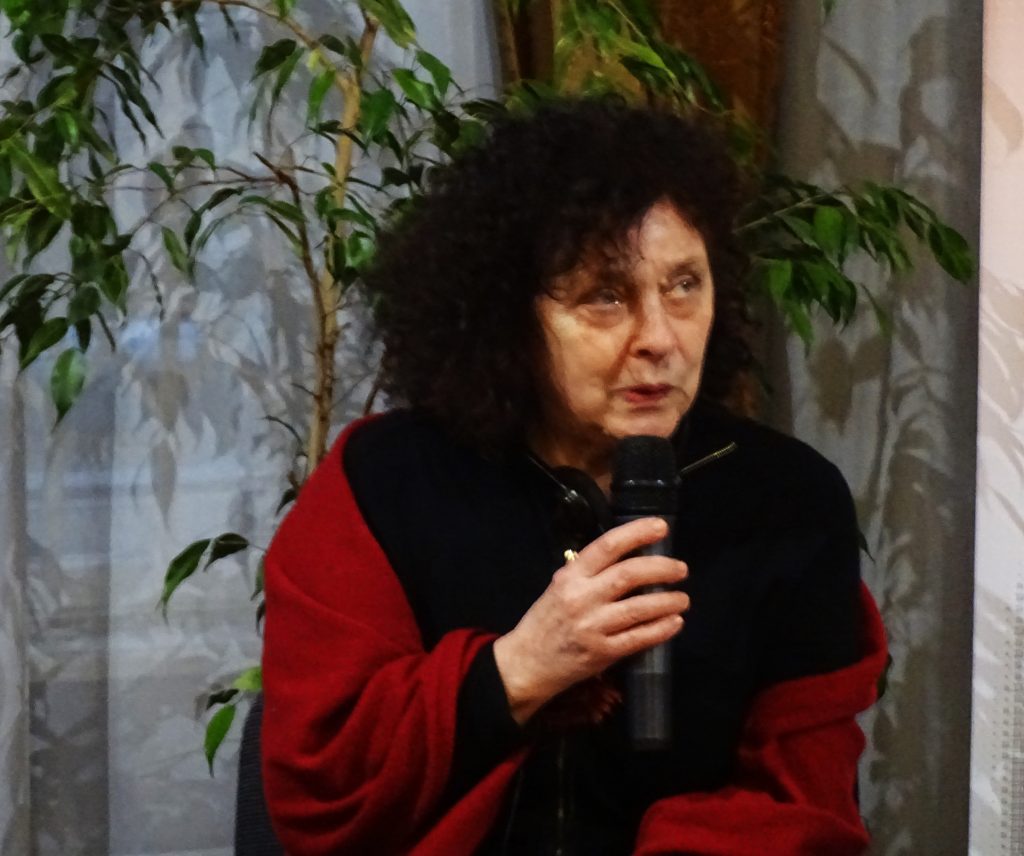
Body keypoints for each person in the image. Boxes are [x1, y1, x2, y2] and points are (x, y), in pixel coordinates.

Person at [260, 97, 888, 856]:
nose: (660, 339)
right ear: (510, 317)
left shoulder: (787, 499)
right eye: (605, 296)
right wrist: (519, 668)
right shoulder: (384, 479)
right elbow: (320, 783)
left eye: (684, 285)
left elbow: (802, 799)